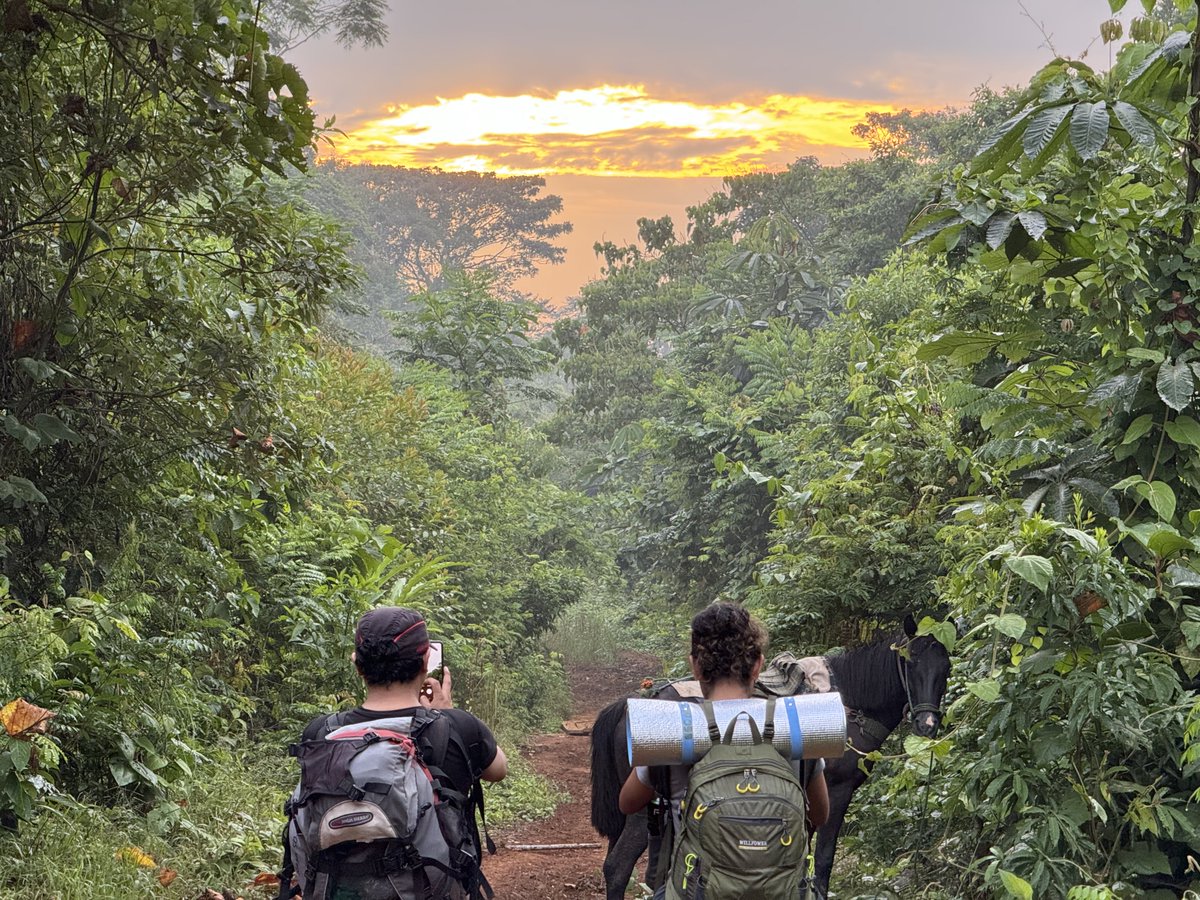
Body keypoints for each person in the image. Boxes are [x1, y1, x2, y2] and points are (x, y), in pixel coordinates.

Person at [294, 607, 507, 899]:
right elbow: (498, 770)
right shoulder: (456, 727)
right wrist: (447, 714)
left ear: (358, 666)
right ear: (424, 663)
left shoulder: (321, 733)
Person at [618, 602, 829, 895]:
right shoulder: (795, 726)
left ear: (695, 667)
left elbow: (627, 803)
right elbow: (819, 815)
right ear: (758, 664)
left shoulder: (676, 730)